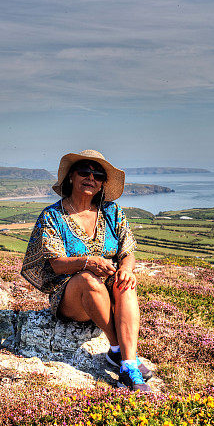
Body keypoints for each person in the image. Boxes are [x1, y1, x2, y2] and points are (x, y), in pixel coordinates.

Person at [21, 150, 152, 392]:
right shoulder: (52, 216)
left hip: (109, 289)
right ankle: (119, 349)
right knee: (88, 280)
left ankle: (127, 363)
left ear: (103, 183)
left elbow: (128, 251)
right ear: (71, 176)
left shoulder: (113, 212)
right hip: (72, 295)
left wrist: (125, 268)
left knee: (126, 282)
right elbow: (57, 263)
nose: (91, 178)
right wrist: (87, 261)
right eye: (84, 172)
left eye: (98, 175)